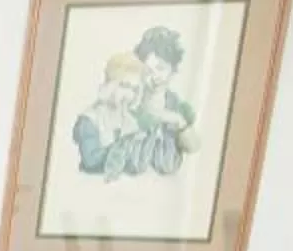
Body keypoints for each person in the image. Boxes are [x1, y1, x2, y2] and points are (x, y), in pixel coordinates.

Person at [130, 25, 202, 176]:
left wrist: (179, 122)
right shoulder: (131, 101)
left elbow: (194, 148)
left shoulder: (178, 107)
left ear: (173, 71)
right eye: (148, 70)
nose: (155, 76)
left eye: (161, 68)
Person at [71, 53, 152, 177]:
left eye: (134, 89)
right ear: (110, 85)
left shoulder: (130, 121)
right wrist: (122, 146)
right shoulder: (89, 119)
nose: (129, 95)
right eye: (124, 86)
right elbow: (90, 161)